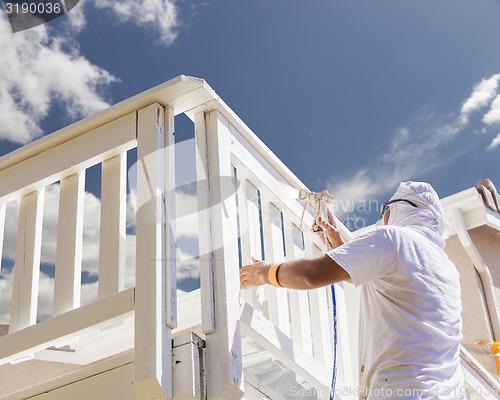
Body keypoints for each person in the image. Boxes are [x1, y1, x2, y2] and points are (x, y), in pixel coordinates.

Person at [240, 181, 464, 399]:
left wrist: (266, 272)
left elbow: (311, 274)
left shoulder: (394, 238)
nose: (382, 217)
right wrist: (338, 242)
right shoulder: (447, 269)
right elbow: (382, 280)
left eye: (385, 209)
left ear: (396, 209)